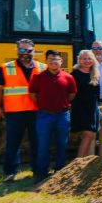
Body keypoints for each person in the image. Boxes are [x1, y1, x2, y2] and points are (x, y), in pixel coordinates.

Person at [0, 39, 45, 183]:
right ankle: (10, 173)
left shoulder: (42, 68)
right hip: (15, 112)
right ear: (17, 51)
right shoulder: (5, 68)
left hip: (36, 112)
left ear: (34, 51)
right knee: (13, 144)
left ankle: (38, 172)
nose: (25, 53)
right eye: (22, 50)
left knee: (38, 143)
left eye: (28, 50)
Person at [28, 50, 77, 183]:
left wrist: (61, 104)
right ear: (46, 61)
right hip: (44, 115)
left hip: (62, 115)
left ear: (61, 61)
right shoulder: (38, 77)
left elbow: (72, 94)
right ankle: (41, 173)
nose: (53, 61)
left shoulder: (68, 77)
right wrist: (43, 105)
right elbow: (32, 94)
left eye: (56, 59)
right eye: (50, 59)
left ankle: (59, 171)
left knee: (62, 144)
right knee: (43, 145)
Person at [71, 50, 101, 158]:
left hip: (92, 108)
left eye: (89, 58)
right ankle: (77, 163)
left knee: (91, 134)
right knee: (88, 134)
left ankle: (82, 162)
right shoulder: (74, 74)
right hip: (80, 107)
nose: (87, 61)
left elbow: (97, 93)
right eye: (84, 58)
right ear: (79, 60)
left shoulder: (95, 73)